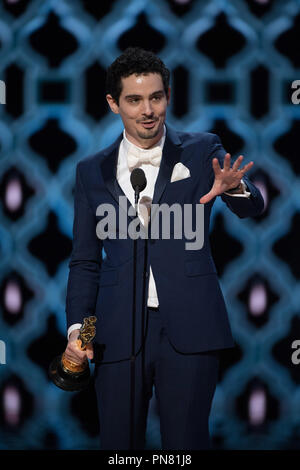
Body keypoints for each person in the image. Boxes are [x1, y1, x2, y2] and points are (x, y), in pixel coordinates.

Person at [63, 47, 264, 450]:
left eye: (156, 97)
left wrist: (236, 188)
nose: (148, 110)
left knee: (187, 444)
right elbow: (86, 261)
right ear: (113, 103)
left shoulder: (201, 148)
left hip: (190, 328)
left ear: (167, 96)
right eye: (134, 100)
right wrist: (80, 332)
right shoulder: (91, 171)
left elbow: (252, 207)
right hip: (117, 331)